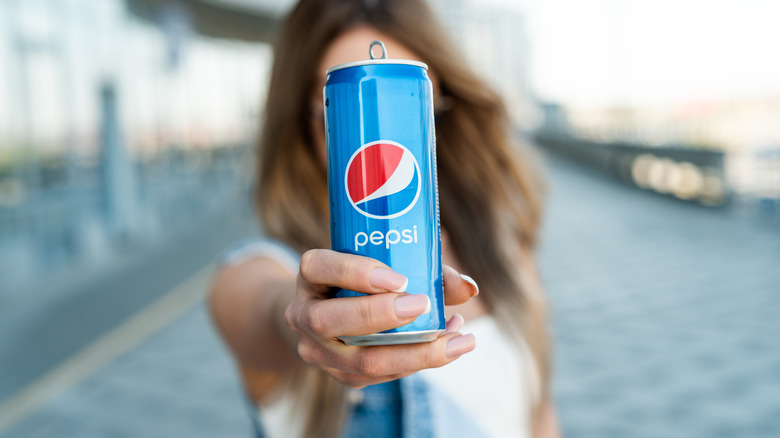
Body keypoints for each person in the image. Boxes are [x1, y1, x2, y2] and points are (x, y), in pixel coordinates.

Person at [209, 0, 560, 437]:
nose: (378, 134)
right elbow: (262, 310)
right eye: (342, 114)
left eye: (403, 111)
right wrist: (310, 314)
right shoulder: (261, 269)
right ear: (301, 126)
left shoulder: (504, 252)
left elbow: (538, 417)